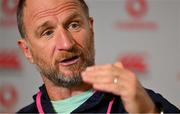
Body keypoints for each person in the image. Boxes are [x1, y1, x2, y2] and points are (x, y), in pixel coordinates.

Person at [16, 0, 180, 113]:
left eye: (74, 25)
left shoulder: (144, 104)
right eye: (48, 33)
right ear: (27, 50)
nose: (66, 44)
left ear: (91, 28)